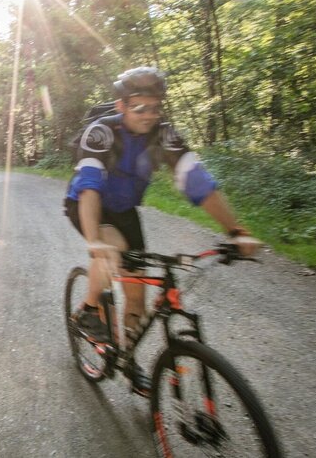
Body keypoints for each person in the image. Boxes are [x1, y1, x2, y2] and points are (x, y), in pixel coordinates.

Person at [64, 67, 258, 397]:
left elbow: (197, 181)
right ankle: (89, 309)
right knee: (112, 246)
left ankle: (127, 360)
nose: (150, 115)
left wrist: (236, 230)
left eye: (156, 107)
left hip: (125, 211)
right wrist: (95, 240)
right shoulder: (101, 132)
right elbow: (90, 187)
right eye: (141, 107)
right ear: (121, 105)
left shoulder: (163, 135)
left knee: (137, 296)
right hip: (87, 204)